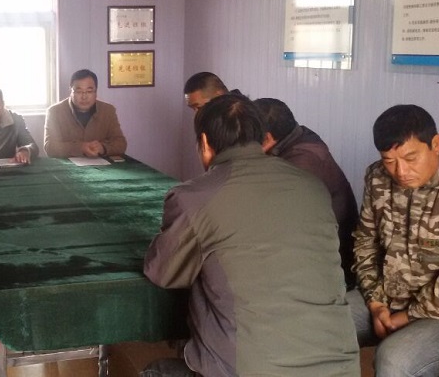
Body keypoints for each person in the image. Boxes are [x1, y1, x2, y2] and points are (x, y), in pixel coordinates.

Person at [142, 94, 358, 377]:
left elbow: (163, 272)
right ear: (262, 136)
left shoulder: (193, 198)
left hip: (249, 369)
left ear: (205, 143)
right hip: (341, 367)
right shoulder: (312, 187)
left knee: (156, 371)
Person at [348, 104, 439, 377]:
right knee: (319, 326)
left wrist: (408, 316)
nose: (400, 171)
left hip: (438, 312)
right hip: (386, 297)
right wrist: (375, 303)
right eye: (389, 161)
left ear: (436, 144)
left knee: (394, 361)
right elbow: (366, 241)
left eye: (411, 158)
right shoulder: (377, 177)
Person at [255, 97, 359, 290]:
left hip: (332, 268)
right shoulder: (297, 136)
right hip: (321, 253)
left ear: (267, 138)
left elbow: (279, 222)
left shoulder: (303, 162)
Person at [44, 69, 127, 158]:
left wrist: (103, 148)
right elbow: (50, 147)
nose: (84, 97)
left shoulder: (108, 111)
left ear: (96, 92)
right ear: (71, 91)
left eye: (89, 91)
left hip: (101, 163)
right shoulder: (55, 112)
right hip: (68, 165)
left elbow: (121, 143)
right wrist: (80, 148)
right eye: (79, 91)